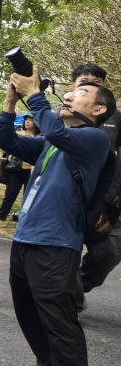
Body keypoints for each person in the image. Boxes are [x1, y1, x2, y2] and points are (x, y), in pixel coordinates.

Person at [0, 66, 114, 366]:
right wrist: (10, 101)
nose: (71, 95)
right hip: (25, 239)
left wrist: (34, 94)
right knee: (28, 311)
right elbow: (7, 140)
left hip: (57, 245)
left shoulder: (94, 140)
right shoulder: (52, 141)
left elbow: (54, 128)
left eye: (81, 94)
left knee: (60, 319)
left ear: (97, 110)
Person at [68, 64, 121, 298]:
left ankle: (75, 288)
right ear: (73, 86)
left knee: (108, 251)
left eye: (96, 82)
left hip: (107, 199)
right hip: (70, 196)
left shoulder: (115, 116)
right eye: (83, 82)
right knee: (63, 251)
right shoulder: (62, 114)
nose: (89, 85)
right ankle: (64, 298)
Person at [0, 116, 37, 227]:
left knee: (29, 197)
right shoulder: (19, 133)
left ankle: (25, 220)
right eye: (26, 120)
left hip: (33, 171)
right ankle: (0, 219)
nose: (27, 121)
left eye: (31, 120)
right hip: (17, 169)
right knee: (10, 195)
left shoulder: (41, 137)